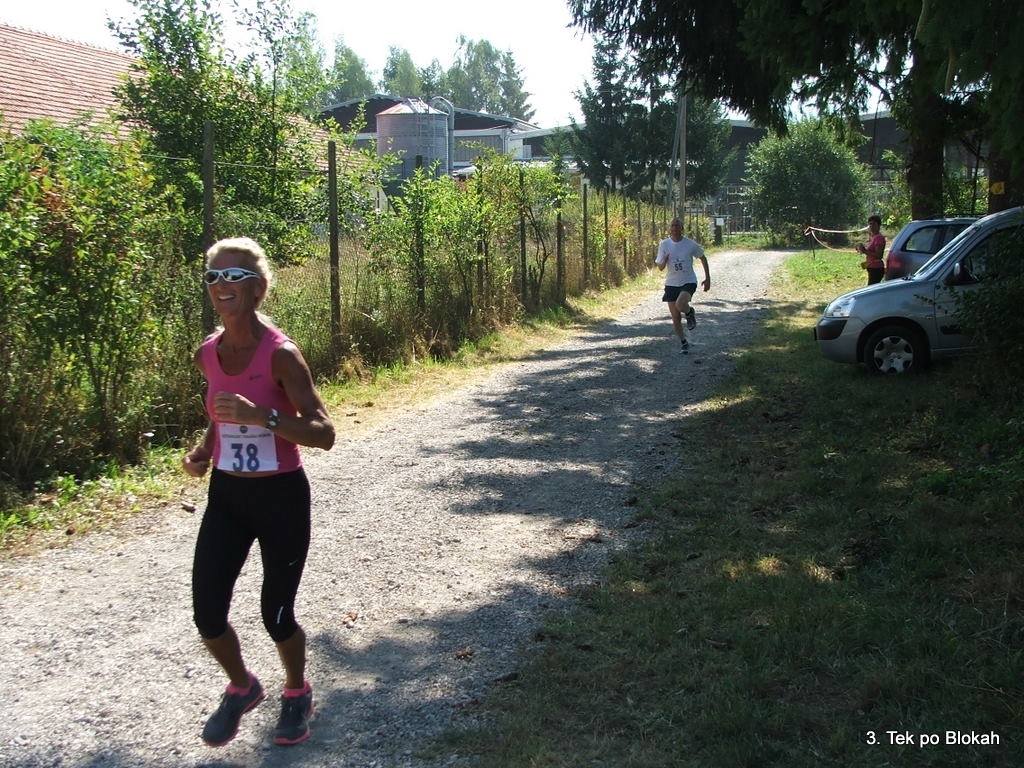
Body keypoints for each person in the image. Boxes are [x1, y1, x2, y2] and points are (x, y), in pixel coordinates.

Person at [182, 237, 335, 748]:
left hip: (280, 499)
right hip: (228, 496)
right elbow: (219, 415)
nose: (222, 284)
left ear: (259, 289)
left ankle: (297, 692)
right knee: (207, 614)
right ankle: (242, 686)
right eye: (214, 276)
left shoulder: (281, 355)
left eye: (235, 276)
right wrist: (203, 450)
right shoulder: (208, 353)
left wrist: (263, 416)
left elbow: (323, 433)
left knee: (277, 614)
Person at [655, 217, 711, 354]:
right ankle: (683, 342)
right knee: (675, 317)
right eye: (672, 225)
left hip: (688, 281)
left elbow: (703, 257)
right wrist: (665, 260)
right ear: (670, 228)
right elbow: (660, 267)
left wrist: (707, 278)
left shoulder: (690, 244)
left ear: (682, 228)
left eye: (677, 225)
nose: (674, 228)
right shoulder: (664, 244)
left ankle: (689, 312)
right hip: (671, 283)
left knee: (680, 304)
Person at [856, 214, 886, 285]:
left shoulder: (879, 238)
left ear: (879, 225)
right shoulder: (873, 237)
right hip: (871, 267)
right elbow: (870, 251)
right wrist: (860, 249)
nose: (872, 226)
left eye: (874, 224)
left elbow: (879, 255)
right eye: (870, 224)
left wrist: (865, 251)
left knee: (872, 288)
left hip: (876, 268)